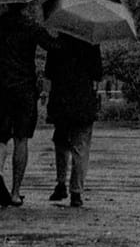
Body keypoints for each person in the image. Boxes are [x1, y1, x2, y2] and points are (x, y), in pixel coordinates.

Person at [0, 0, 60, 207]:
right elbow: (52, 46)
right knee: (21, 139)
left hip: (0, 88)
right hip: (24, 90)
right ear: (25, 5)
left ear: (5, 3)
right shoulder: (31, 26)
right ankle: (15, 193)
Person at [43, 29, 104, 207]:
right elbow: (98, 73)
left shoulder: (57, 43)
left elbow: (49, 73)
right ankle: (76, 191)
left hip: (61, 99)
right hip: (83, 100)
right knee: (81, 146)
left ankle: (61, 182)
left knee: (61, 141)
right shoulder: (91, 44)